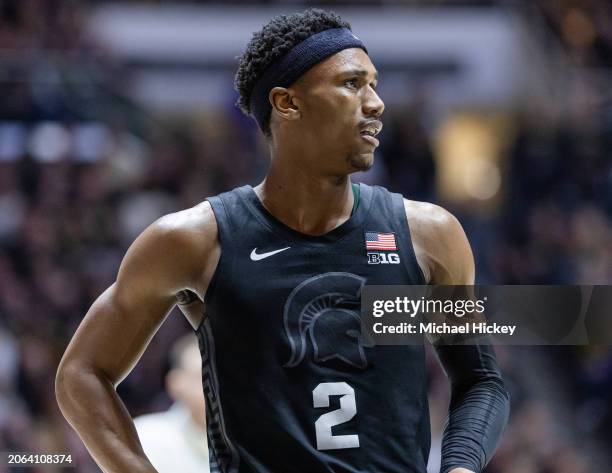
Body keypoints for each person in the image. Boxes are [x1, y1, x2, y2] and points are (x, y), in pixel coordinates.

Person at [56, 8, 510, 473]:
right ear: (287, 103)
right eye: (352, 84)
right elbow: (82, 373)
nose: (376, 103)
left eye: (374, 84)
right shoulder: (194, 240)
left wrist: (458, 467)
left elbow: (480, 381)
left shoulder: (429, 234)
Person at [133, 335, 209, 473]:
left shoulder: (252, 440)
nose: (216, 388)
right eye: (204, 376)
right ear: (175, 383)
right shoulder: (146, 436)